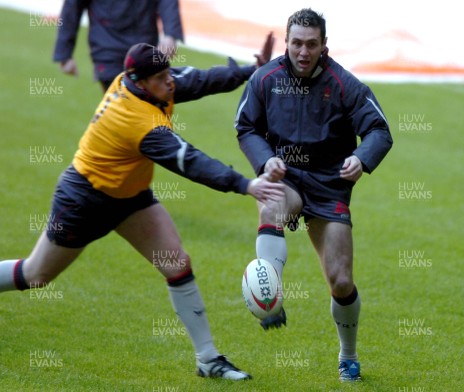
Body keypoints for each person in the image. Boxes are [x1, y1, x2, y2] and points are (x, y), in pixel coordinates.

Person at [0, 38, 282, 381]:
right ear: (141, 81)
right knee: (36, 275)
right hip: (84, 200)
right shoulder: (138, 121)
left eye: (168, 73)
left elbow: (198, 80)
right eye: (162, 77)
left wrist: (251, 71)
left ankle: (208, 360)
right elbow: (189, 161)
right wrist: (246, 184)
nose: (170, 81)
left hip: (129, 197)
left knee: (177, 264)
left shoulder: (145, 82)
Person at [234, 8, 393, 382]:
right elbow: (245, 126)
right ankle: (270, 297)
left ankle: (348, 355)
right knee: (271, 201)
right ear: (286, 43)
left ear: (324, 46)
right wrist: (265, 160)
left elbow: (380, 131)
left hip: (329, 182)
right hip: (285, 173)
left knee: (340, 280)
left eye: (311, 44)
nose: (303, 52)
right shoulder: (266, 79)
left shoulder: (344, 84)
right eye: (296, 44)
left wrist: (361, 158)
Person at [53, 0, 184, 91]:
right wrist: (64, 53)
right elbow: (73, 6)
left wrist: (170, 35)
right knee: (122, 110)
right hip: (108, 50)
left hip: (144, 49)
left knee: (147, 110)